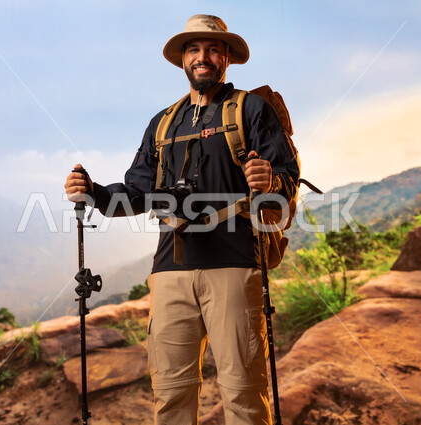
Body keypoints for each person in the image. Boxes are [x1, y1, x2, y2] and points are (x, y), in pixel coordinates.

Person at [65, 14, 299, 425]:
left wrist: (271, 179)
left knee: (243, 393)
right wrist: (95, 192)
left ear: (226, 56)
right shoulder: (163, 123)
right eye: (194, 49)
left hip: (235, 263)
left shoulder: (252, 109)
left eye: (212, 48)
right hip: (170, 269)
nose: (202, 57)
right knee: (170, 394)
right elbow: (136, 194)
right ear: (183, 60)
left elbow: (287, 180)